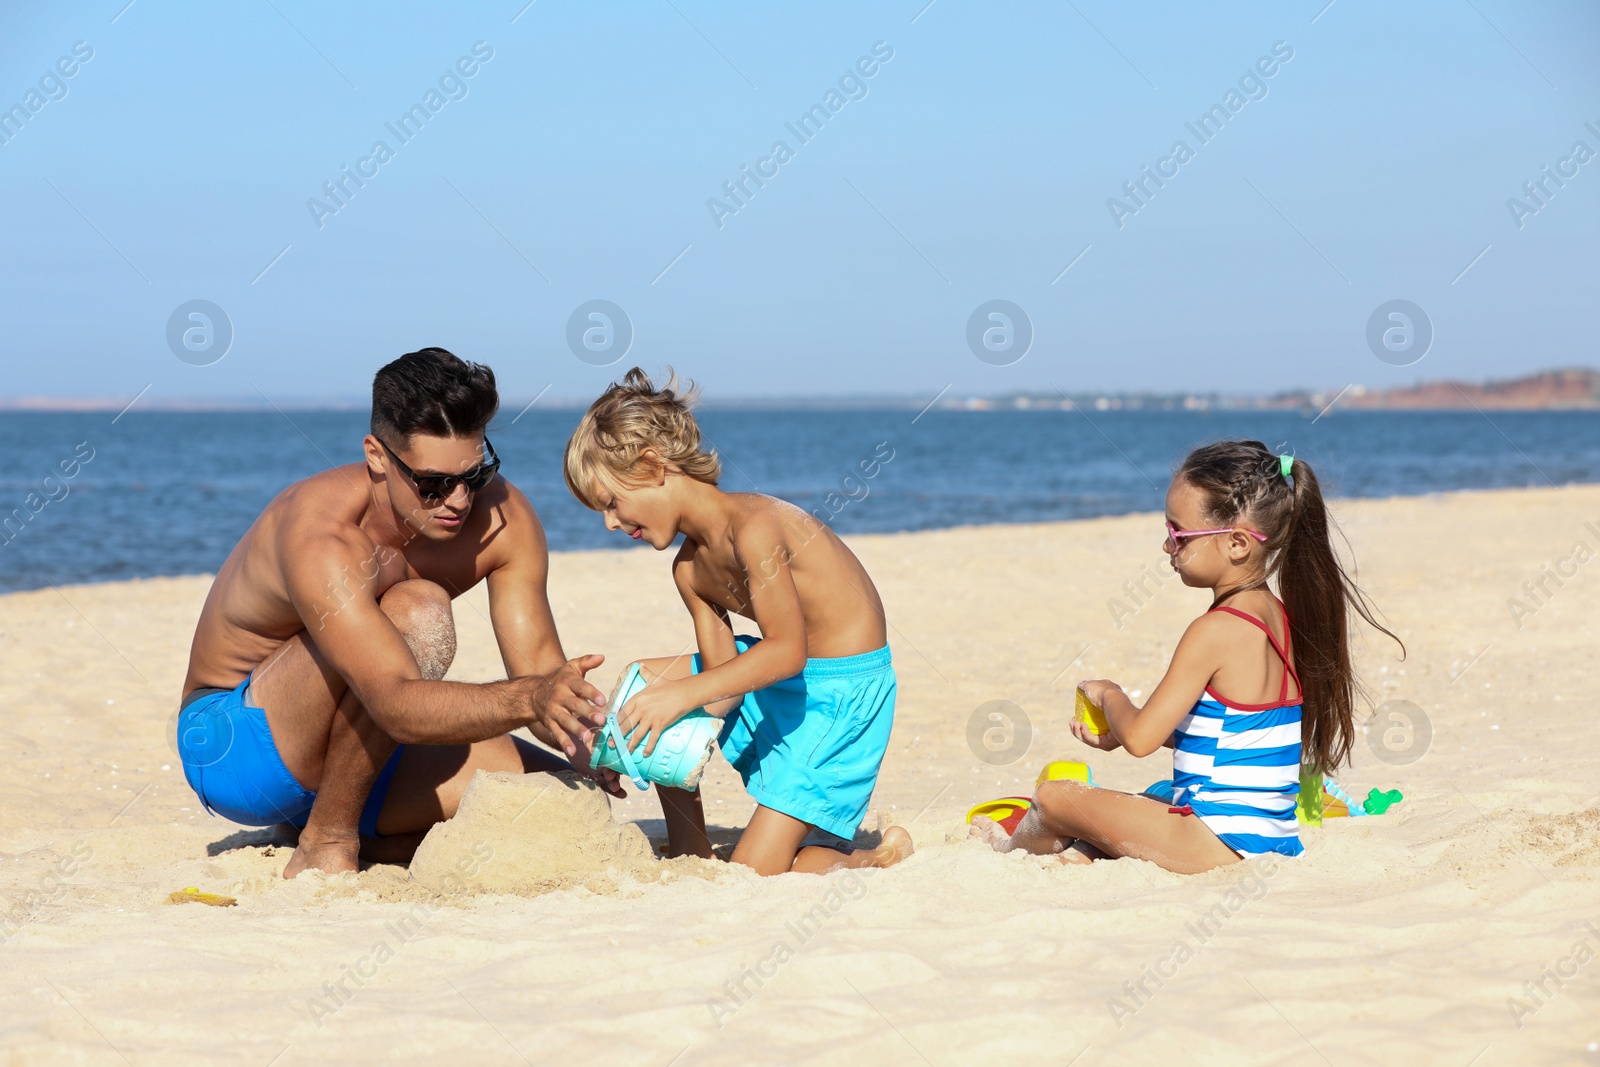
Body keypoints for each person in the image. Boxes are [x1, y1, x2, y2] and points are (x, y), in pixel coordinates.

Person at [177, 348, 618, 878]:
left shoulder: (505, 520)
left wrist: (594, 733)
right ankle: (327, 840)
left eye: (473, 476)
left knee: (570, 803)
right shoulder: (323, 532)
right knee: (418, 608)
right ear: (378, 457)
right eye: (432, 485)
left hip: (364, 751)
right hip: (238, 745)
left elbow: (542, 674)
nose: (457, 500)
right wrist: (531, 699)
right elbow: (392, 702)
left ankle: (326, 830)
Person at [973, 440, 1402, 873]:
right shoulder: (1276, 616)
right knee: (1156, 793)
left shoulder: (1214, 630)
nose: (1166, 546)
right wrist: (1122, 732)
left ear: (1236, 543)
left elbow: (1140, 739)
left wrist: (1110, 696)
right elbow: (1232, 735)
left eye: (1178, 534)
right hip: (1270, 837)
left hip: (1216, 840)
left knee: (1054, 798)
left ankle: (1009, 854)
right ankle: (1080, 857)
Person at [562, 368, 913, 876]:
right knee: (651, 684)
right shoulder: (688, 570)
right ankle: (691, 850)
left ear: (653, 465)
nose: (610, 523)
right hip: (787, 678)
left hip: (843, 692)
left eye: (611, 502)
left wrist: (680, 697)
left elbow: (786, 650)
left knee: (755, 873)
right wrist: (627, 739)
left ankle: (873, 856)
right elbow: (723, 683)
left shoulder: (754, 528)